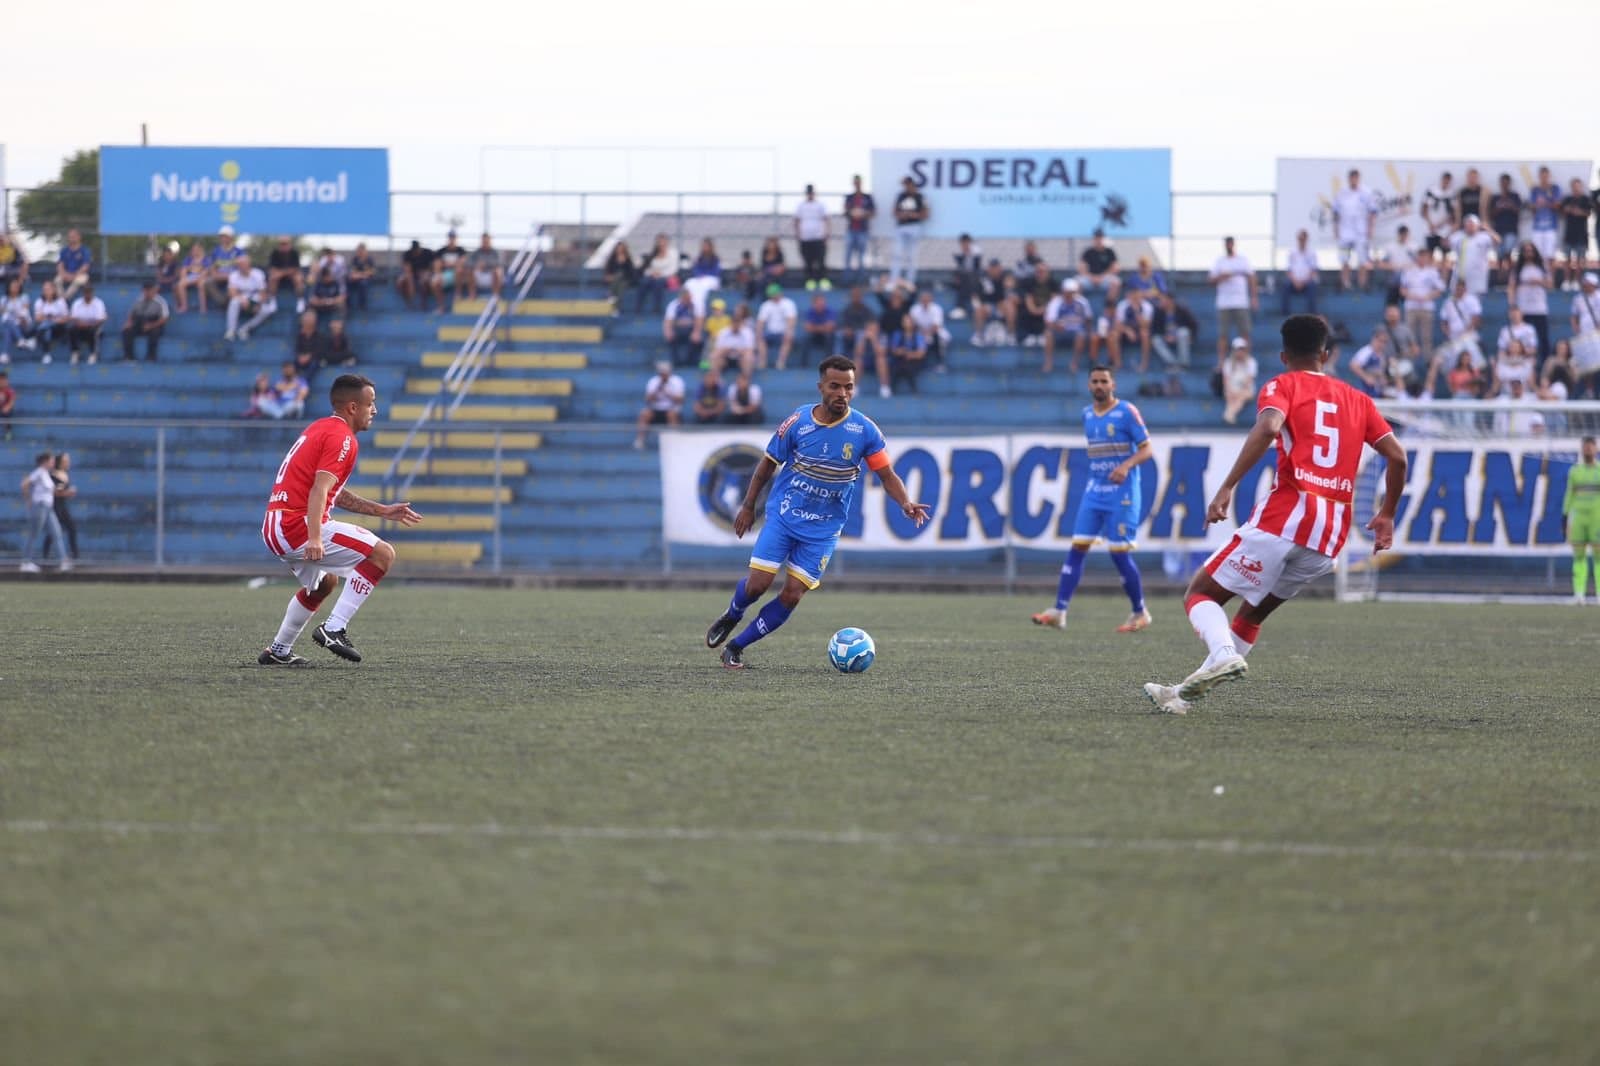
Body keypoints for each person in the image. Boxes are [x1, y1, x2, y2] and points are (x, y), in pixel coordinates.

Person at [1142, 314, 1408, 715]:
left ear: (1284, 356)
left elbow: (1269, 427)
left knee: (1200, 594)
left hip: (1285, 519)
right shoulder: (1359, 400)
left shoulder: (1282, 385)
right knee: (1251, 615)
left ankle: (1223, 654)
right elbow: (1398, 457)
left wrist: (1227, 486)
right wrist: (1387, 513)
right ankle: (1181, 698)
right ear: (1325, 354)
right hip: (1327, 539)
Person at [703, 354, 931, 669]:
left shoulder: (865, 430)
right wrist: (747, 505)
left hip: (823, 529)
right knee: (757, 586)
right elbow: (768, 463)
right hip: (784, 517)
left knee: (793, 595)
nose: (842, 393)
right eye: (835, 386)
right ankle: (733, 613)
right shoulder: (798, 422)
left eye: (849, 387)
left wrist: (905, 502)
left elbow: (886, 474)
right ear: (821, 387)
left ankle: (736, 647)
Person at [258, 374, 422, 665]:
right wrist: (315, 537)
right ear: (352, 407)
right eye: (370, 403)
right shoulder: (343, 438)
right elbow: (319, 490)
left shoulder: (321, 427)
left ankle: (279, 650)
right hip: (296, 526)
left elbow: (330, 490)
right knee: (383, 554)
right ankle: (334, 628)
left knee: (325, 583)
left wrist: (382, 510)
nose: (375, 410)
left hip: (275, 525)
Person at [1031, 365, 1154, 634]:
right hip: (1095, 490)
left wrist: (1125, 466)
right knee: (1077, 547)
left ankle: (1140, 611)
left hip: (1122, 492)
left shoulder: (1126, 412)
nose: (1099, 386)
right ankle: (1059, 611)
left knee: (1118, 552)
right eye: (1095, 381)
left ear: (1113, 385)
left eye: (1104, 381)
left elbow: (1147, 450)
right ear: (1089, 385)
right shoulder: (1086, 414)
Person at [1209, 236, 1257, 366]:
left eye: (1230, 244)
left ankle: (1246, 361)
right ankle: (1221, 362)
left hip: (1241, 302)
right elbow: (1211, 280)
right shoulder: (1219, 261)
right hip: (1224, 303)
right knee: (1223, 335)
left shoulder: (1243, 260)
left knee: (1245, 333)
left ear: (1233, 244)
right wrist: (1221, 277)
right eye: (1227, 244)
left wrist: (1254, 297)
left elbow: (1252, 278)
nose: (1229, 246)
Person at [20, 450, 71, 573]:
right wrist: (28, 500)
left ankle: (63, 561)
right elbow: (25, 484)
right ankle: (26, 562)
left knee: (57, 532)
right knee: (34, 533)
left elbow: (51, 491)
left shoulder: (46, 474)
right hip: (40, 506)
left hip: (48, 507)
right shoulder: (39, 472)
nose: (53, 463)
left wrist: (65, 491)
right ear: (45, 462)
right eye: (51, 461)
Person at [1565, 436, 1600, 604]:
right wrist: (1564, 516)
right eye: (1585, 447)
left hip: (1597, 519)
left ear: (1596, 449)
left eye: (1590, 446)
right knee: (1578, 556)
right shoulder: (1575, 471)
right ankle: (1579, 594)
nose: (1588, 450)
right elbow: (1569, 495)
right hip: (1579, 519)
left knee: (1599, 557)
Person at [1332, 169, 1376, 291]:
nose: (1354, 180)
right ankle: (1345, 283)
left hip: (1361, 231)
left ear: (1359, 178)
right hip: (1345, 231)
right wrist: (1336, 229)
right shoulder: (1341, 193)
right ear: (1349, 179)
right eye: (1352, 177)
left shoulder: (1366, 192)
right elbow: (1335, 212)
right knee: (1344, 258)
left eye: (1356, 177)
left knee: (1363, 259)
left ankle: (1362, 284)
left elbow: (1373, 212)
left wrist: (1370, 229)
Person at [1043, 279, 1092, 373]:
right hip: (1059, 331)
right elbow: (1049, 321)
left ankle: (1074, 363)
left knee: (1081, 334)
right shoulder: (1056, 302)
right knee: (1048, 334)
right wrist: (1057, 326)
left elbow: (1088, 319)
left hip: (1076, 331)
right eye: (1068, 292)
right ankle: (1048, 362)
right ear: (1063, 291)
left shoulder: (1082, 302)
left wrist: (1087, 331)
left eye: (1072, 292)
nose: (1070, 295)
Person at [633, 360, 685, 449]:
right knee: (644, 414)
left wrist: (668, 394)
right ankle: (640, 440)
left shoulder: (677, 381)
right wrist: (657, 389)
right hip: (655, 409)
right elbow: (648, 399)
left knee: (672, 415)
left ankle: (673, 441)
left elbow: (680, 400)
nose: (663, 375)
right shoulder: (653, 381)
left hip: (671, 409)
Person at [224, 255, 276, 342]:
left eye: (243, 264)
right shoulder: (233, 275)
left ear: (248, 264)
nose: (241, 266)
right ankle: (231, 331)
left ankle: (244, 329)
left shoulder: (258, 274)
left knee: (267, 310)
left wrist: (258, 305)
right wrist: (242, 300)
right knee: (234, 302)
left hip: (256, 297)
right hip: (242, 297)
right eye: (239, 265)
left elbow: (263, 292)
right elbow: (232, 292)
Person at [40, 451, 78, 563]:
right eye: (66, 461)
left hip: (62, 506)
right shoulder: (55, 475)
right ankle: (46, 554)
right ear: (60, 462)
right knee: (55, 531)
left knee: (70, 528)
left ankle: (75, 553)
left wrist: (67, 493)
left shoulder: (64, 474)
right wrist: (68, 493)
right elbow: (55, 492)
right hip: (56, 506)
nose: (68, 463)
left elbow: (61, 490)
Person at [889, 176, 927, 287]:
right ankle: (894, 280)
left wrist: (913, 215)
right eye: (904, 185)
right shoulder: (900, 196)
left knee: (912, 256)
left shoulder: (920, 197)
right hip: (901, 227)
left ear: (912, 184)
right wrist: (902, 215)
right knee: (897, 254)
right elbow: (894, 212)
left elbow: (925, 214)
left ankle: (910, 281)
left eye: (907, 184)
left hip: (914, 227)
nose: (906, 187)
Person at [793, 184, 831, 291]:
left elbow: (826, 219)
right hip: (805, 238)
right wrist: (798, 234)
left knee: (821, 260)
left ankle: (823, 281)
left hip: (818, 237)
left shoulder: (820, 205)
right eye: (808, 193)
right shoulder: (801, 206)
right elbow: (797, 220)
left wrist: (826, 234)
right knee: (808, 261)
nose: (810, 195)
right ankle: (810, 282)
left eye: (811, 193)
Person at [120, 279, 169, 362]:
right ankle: (129, 356)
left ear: (154, 290)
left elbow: (165, 318)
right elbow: (132, 313)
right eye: (145, 290)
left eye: (149, 290)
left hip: (154, 323)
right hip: (140, 322)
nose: (147, 293)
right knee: (127, 331)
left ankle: (151, 356)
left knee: (155, 333)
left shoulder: (161, 301)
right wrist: (128, 322)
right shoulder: (139, 300)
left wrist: (151, 325)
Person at [755, 283, 798, 369]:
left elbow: (791, 320)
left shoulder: (788, 303)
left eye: (775, 294)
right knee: (759, 338)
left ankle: (781, 363)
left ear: (780, 293)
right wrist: (758, 333)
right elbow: (760, 322)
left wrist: (788, 332)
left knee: (788, 337)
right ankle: (762, 362)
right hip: (769, 332)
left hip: (783, 332)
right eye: (772, 294)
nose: (774, 296)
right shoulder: (766, 305)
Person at [842, 175, 875, 283]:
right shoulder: (850, 197)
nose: (857, 184)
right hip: (851, 229)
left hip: (862, 230)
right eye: (855, 182)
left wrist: (863, 213)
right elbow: (845, 211)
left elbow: (873, 212)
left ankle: (861, 278)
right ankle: (847, 278)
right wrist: (852, 213)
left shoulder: (867, 197)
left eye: (858, 182)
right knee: (848, 254)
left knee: (861, 255)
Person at [1221, 336, 1260, 423]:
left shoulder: (1251, 362)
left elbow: (1250, 380)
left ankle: (1228, 414)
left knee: (1240, 397)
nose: (1240, 352)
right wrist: (1230, 390)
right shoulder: (1228, 362)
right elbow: (1226, 380)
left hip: (1246, 389)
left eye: (1242, 349)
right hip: (1232, 388)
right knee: (1230, 396)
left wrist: (1239, 392)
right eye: (1238, 349)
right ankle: (1230, 416)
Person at [66, 283, 108, 364]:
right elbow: (73, 317)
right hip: (80, 325)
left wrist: (88, 324)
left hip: (94, 326)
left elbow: (101, 319)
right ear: (83, 293)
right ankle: (75, 352)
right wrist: (80, 323)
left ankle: (93, 354)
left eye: (89, 292)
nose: (87, 294)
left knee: (93, 330)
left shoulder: (99, 303)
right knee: (71, 329)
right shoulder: (77, 303)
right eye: (86, 292)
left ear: (92, 293)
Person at [636, 233, 677, 314]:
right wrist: (652, 273)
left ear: (667, 242)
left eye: (663, 241)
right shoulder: (653, 253)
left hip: (666, 276)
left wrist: (660, 274)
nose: (661, 244)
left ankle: (657, 308)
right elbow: (647, 269)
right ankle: (638, 306)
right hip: (653, 275)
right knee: (644, 282)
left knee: (658, 282)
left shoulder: (673, 253)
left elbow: (673, 269)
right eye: (659, 242)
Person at [662, 288, 702, 368]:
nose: (687, 300)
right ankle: (677, 362)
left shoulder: (696, 304)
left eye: (688, 298)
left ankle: (692, 361)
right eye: (685, 298)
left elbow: (699, 319)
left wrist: (696, 332)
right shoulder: (673, 305)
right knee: (671, 337)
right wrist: (668, 331)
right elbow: (668, 320)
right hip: (678, 329)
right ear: (681, 298)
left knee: (698, 339)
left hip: (691, 328)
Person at [205, 226, 245, 307]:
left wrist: (230, 276)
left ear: (231, 237)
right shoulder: (216, 250)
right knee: (207, 282)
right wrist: (214, 274)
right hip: (219, 276)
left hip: (234, 277)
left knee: (235, 284)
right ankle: (222, 302)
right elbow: (212, 266)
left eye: (225, 236)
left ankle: (229, 302)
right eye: (221, 236)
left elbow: (243, 265)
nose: (223, 238)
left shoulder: (238, 251)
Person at [32, 280, 70, 363]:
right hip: (46, 327)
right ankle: (46, 355)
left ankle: (35, 340)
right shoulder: (39, 301)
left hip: (59, 328)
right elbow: (37, 318)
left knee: (47, 324)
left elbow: (66, 318)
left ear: (54, 290)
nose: (46, 292)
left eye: (48, 289)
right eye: (44, 290)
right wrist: (52, 318)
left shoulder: (61, 301)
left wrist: (50, 319)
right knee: (47, 330)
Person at [266, 236, 307, 313]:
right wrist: (278, 274)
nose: (283, 246)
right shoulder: (275, 253)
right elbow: (272, 268)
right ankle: (272, 300)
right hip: (279, 275)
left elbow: (296, 268)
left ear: (289, 244)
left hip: (291, 274)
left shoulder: (294, 253)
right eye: (281, 244)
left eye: (285, 244)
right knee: (272, 278)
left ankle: (300, 300)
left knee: (298, 278)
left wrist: (282, 273)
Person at [1282, 229, 1318, 314]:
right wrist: (1295, 281)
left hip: (1307, 282)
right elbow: (1289, 271)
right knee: (1286, 284)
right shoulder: (1292, 252)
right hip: (1294, 281)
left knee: (1312, 286)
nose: (1302, 241)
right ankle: (1285, 313)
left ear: (1307, 240)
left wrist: (1303, 282)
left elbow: (1313, 271)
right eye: (1300, 239)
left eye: (1303, 239)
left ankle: (1311, 313)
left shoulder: (1312, 253)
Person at [1078, 230, 1121, 301]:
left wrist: (1102, 277)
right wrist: (1091, 277)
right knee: (1077, 284)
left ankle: (1109, 305)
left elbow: (1115, 268)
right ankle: (1079, 305)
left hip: (1105, 278)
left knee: (1116, 283)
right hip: (1089, 278)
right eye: (1096, 238)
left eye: (1100, 237)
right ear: (1094, 239)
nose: (1098, 240)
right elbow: (1081, 268)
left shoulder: (1109, 251)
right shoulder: (1088, 252)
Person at [396, 240, 438, 311]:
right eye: (414, 250)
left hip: (426, 273)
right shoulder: (408, 254)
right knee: (400, 281)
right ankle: (408, 301)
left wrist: (427, 272)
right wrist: (411, 276)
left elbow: (434, 265)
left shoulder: (427, 253)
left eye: (417, 249)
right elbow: (407, 268)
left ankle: (423, 302)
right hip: (412, 274)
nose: (416, 252)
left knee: (424, 280)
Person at [2, 277, 35, 362]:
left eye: (17, 286)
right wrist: (14, 314)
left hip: (24, 324)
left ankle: (5, 353)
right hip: (10, 324)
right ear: (9, 287)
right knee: (8, 328)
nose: (15, 288)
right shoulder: (4, 299)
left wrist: (13, 313)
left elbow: (24, 312)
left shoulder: (24, 297)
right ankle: (20, 340)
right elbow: (3, 312)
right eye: (13, 286)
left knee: (8, 325)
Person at [56, 229, 93, 300]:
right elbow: (60, 265)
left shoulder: (85, 250)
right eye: (70, 237)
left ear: (79, 237)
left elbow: (85, 266)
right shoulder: (64, 250)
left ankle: (64, 299)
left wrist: (74, 275)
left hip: (80, 274)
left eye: (73, 237)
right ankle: (61, 299)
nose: (71, 239)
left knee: (79, 281)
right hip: (66, 274)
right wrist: (64, 274)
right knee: (57, 280)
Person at [175, 242, 209, 313]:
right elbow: (184, 269)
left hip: (202, 277)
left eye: (197, 249)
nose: (195, 251)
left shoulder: (206, 259)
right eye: (193, 250)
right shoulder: (188, 259)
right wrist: (183, 277)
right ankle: (184, 306)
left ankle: (203, 307)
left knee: (201, 284)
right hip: (191, 277)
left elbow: (206, 271)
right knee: (180, 284)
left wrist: (197, 274)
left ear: (201, 250)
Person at [801, 293, 836, 361]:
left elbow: (830, 327)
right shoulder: (809, 312)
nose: (821, 304)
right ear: (813, 304)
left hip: (825, 335)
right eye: (818, 303)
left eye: (822, 302)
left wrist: (814, 327)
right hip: (813, 335)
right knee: (805, 338)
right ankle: (803, 363)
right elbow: (807, 327)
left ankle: (828, 362)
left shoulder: (830, 311)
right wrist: (823, 327)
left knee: (829, 337)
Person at [603, 241, 637, 311]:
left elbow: (630, 272)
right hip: (614, 280)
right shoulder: (612, 258)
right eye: (618, 248)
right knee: (619, 286)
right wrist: (609, 276)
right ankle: (616, 309)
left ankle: (611, 296)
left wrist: (624, 262)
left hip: (625, 279)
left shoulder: (628, 259)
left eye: (621, 248)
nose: (620, 249)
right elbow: (608, 269)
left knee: (620, 276)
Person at [346, 243, 377, 311]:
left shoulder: (369, 259)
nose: (360, 252)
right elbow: (352, 272)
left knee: (363, 283)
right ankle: (348, 304)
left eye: (362, 251)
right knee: (348, 281)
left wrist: (361, 274)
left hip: (367, 279)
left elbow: (372, 272)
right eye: (359, 251)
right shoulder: (355, 259)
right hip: (357, 278)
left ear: (365, 251)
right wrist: (359, 275)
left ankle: (362, 305)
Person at [0, 370, 14, 440]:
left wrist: (7, 407)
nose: (2, 382)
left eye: (4, 380)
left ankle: (8, 432)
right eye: (1, 380)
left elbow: (12, 401)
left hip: (5, 409)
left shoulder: (9, 390)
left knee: (7, 413)